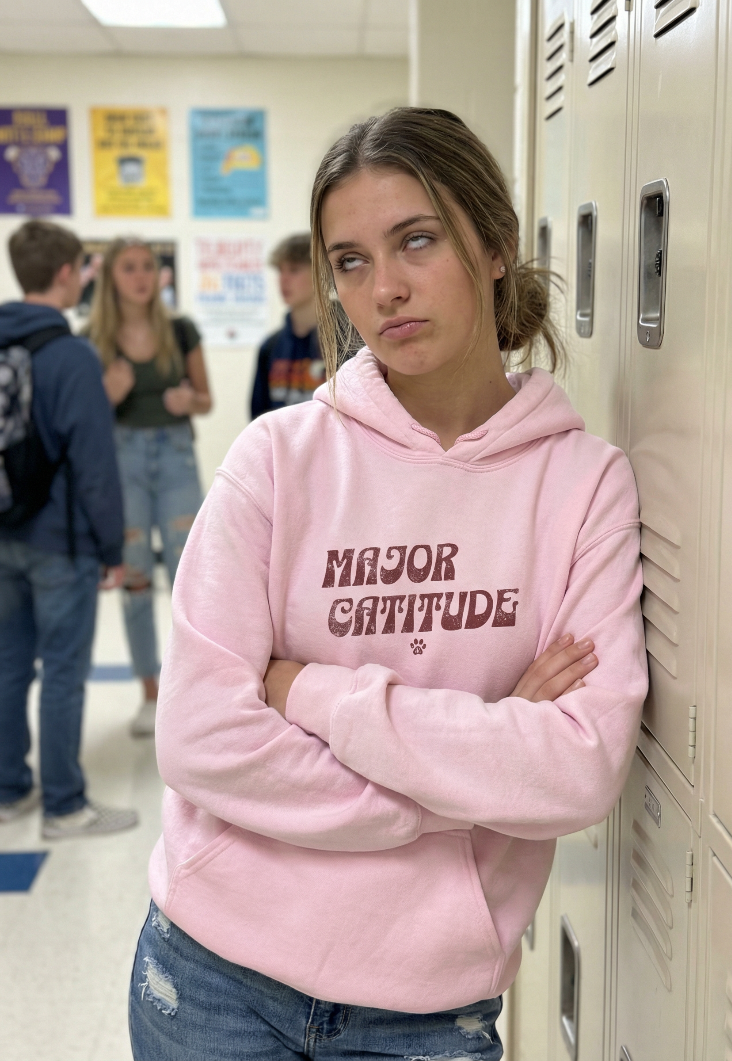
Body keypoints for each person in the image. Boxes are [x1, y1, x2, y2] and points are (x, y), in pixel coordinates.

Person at [129, 108, 647, 1059]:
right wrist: (468, 782)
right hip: (211, 976)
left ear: (494, 245)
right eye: (352, 260)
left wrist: (308, 692)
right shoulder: (277, 459)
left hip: (426, 1010)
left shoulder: (580, 483)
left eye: (418, 240)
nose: (386, 289)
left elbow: (577, 767)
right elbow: (201, 736)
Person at [0, 219, 138, 839]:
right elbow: (95, 466)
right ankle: (63, 806)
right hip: (61, 542)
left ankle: (7, 791)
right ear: (65, 273)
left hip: (3, 536)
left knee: (7, 667)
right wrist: (113, 547)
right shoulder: (72, 356)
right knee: (62, 670)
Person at [88, 238, 212, 738]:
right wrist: (106, 396)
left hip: (175, 454)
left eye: (147, 267)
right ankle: (149, 692)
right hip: (123, 460)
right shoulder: (92, 339)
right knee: (136, 575)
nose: (141, 276)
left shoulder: (180, 330)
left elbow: (206, 399)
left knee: (195, 575)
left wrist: (191, 400)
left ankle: (199, 691)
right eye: (129, 268)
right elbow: (79, 419)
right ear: (110, 278)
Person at [249, 232, 325, 418]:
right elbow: (259, 418)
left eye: (294, 270)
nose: (283, 279)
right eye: (280, 271)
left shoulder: (348, 343)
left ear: (320, 272)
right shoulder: (270, 346)